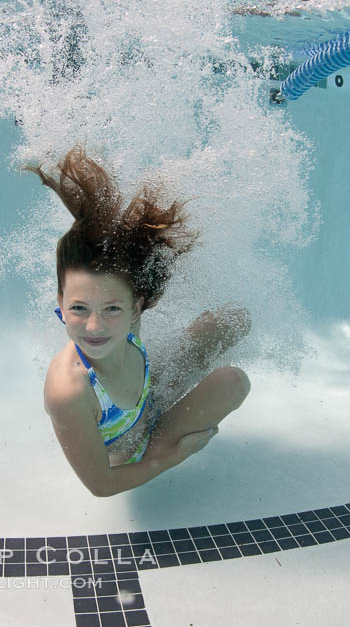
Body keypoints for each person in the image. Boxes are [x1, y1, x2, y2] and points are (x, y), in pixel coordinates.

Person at [22, 145, 251, 497]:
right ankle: (164, 442)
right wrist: (173, 457)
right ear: (60, 303)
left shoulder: (132, 314)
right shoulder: (69, 391)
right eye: (79, 308)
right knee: (233, 382)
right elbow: (100, 485)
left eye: (112, 309)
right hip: (138, 448)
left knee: (234, 320)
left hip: (150, 393)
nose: (95, 327)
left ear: (136, 308)